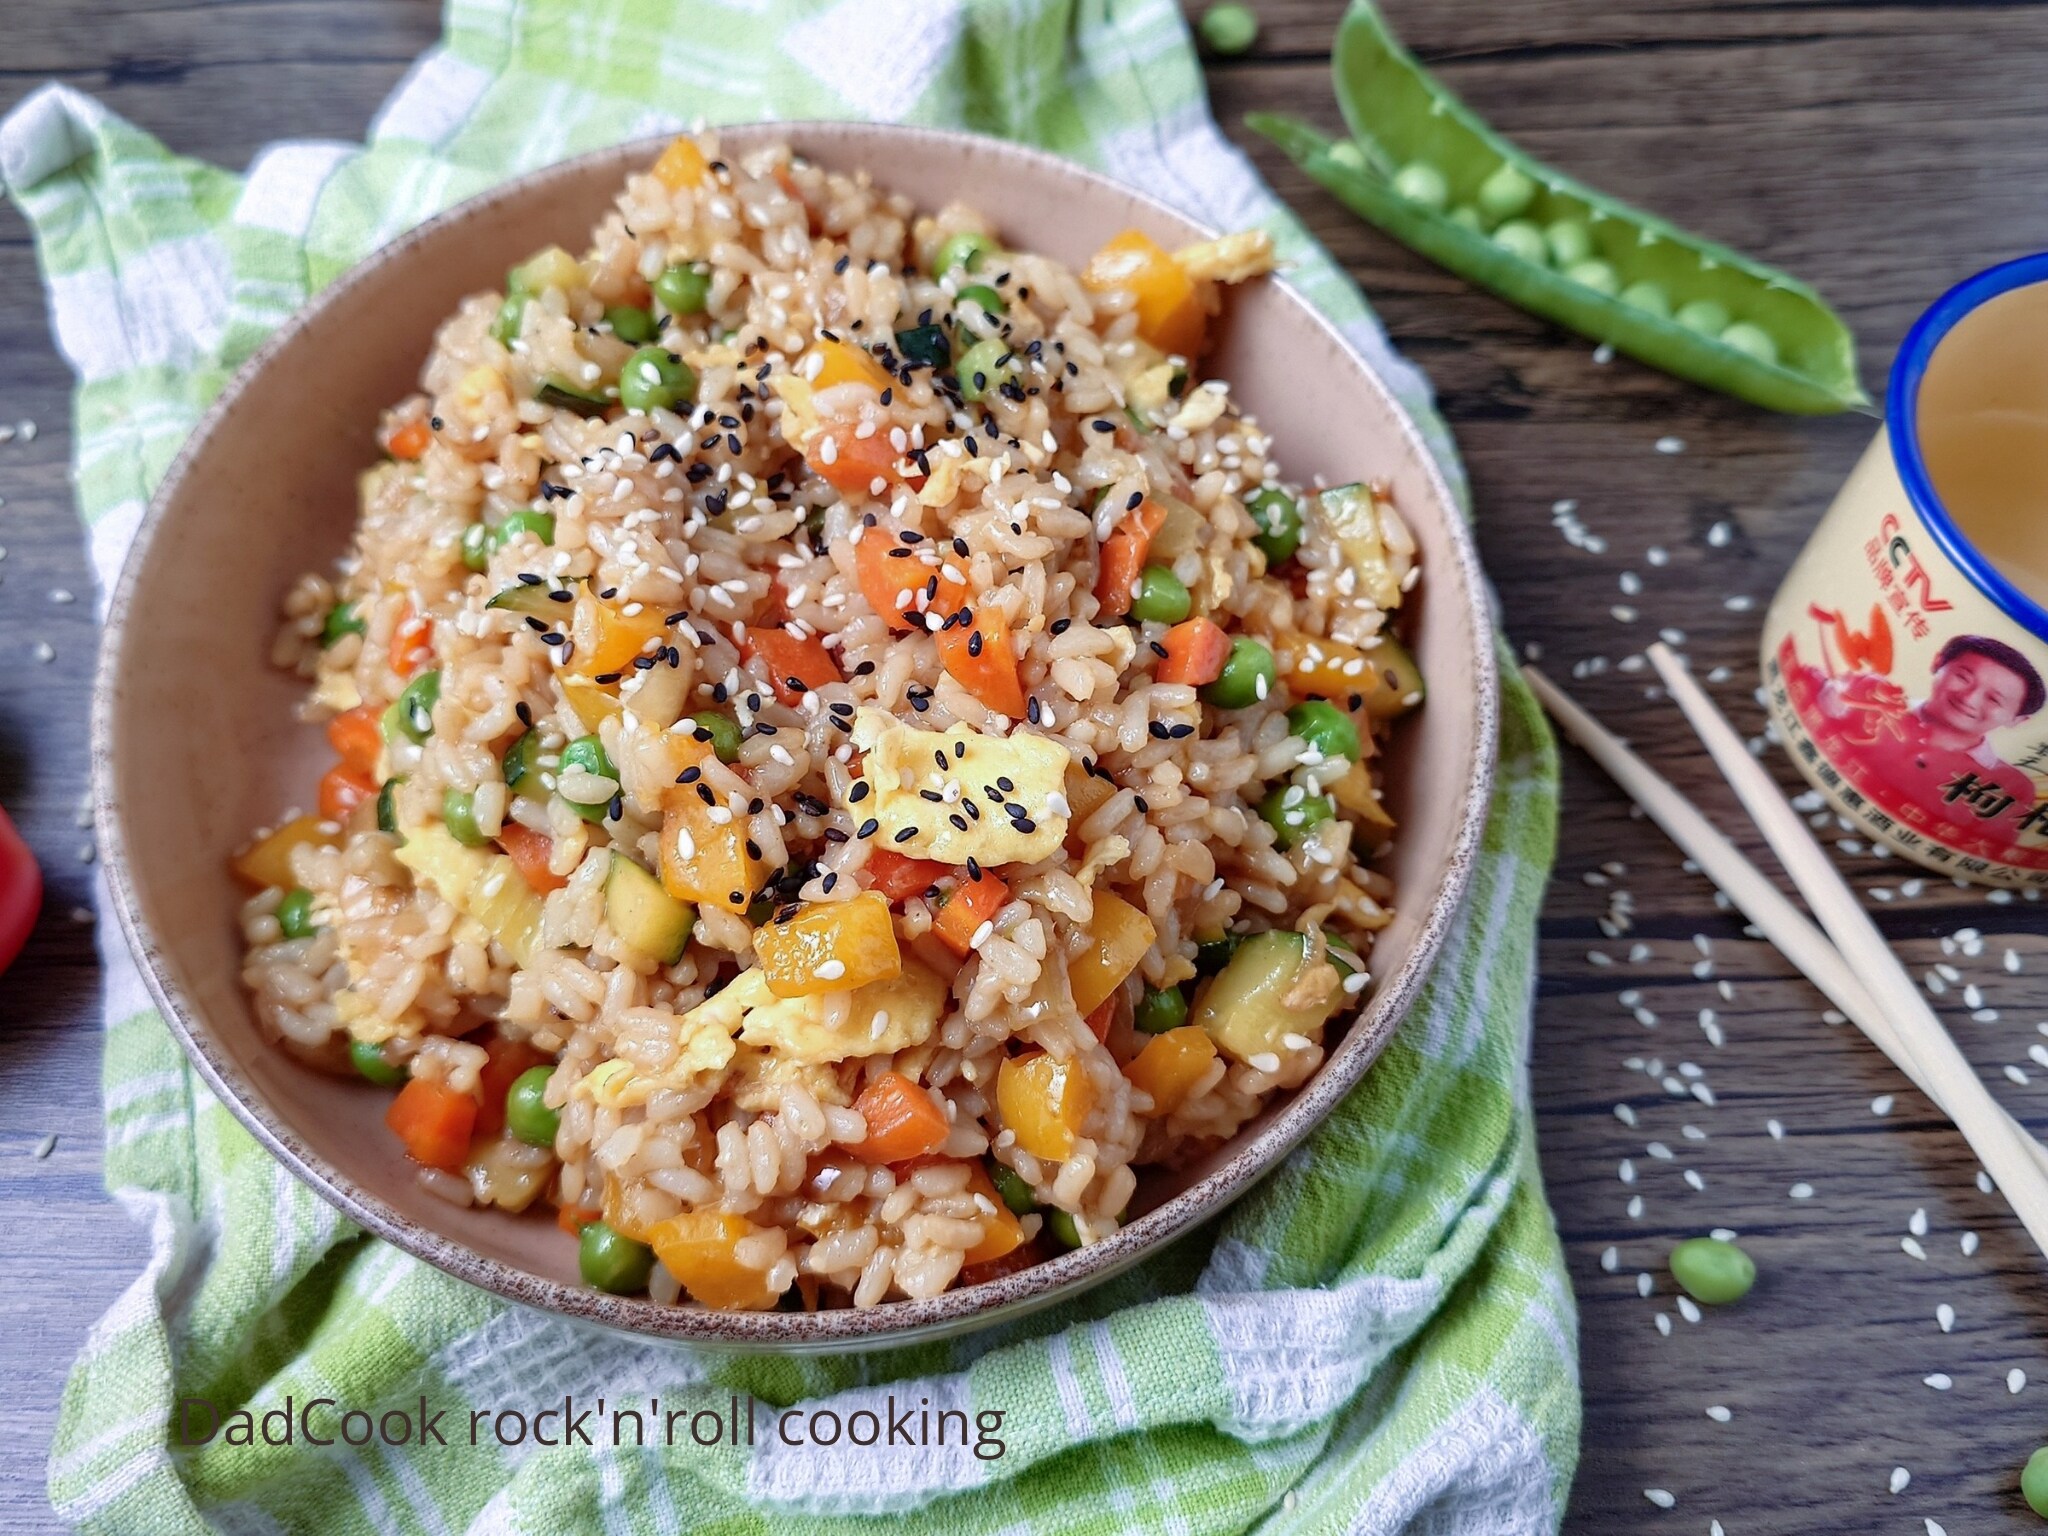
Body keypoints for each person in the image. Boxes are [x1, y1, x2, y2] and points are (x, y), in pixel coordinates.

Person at [1800, 633, 2044, 837]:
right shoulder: (1865, 700)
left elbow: (1983, 847)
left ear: (2018, 720)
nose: (1969, 699)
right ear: (1937, 663)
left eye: (1993, 699)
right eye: (1962, 677)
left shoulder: (2011, 786)